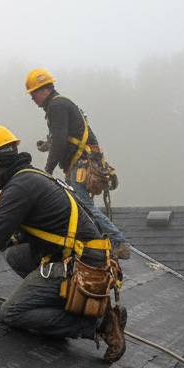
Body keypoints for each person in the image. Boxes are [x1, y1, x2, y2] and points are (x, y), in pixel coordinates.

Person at [0, 125, 127, 362]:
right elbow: (40, 228)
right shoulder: (32, 177)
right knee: (14, 254)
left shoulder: (19, 187)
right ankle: (62, 300)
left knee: (12, 312)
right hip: (84, 256)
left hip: (80, 265)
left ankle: (96, 322)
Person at [24, 68, 130, 259]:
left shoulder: (57, 105)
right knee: (81, 207)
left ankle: (118, 242)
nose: (32, 98)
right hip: (82, 161)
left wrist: (47, 170)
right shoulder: (58, 105)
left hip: (81, 163)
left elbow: (61, 140)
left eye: (34, 93)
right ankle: (102, 244)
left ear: (45, 90)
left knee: (84, 207)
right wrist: (48, 144)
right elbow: (63, 136)